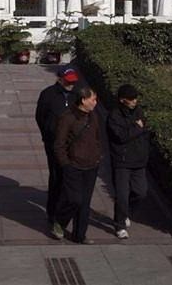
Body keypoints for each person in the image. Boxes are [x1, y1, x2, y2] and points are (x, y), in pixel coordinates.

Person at [52, 86, 102, 244]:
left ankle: (79, 235)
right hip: (73, 166)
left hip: (91, 165)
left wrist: (98, 155)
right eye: (93, 99)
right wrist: (65, 164)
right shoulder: (68, 118)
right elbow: (59, 144)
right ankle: (59, 222)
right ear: (83, 100)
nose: (95, 102)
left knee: (85, 203)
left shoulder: (93, 116)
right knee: (75, 199)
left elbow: (97, 137)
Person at [35, 66, 81, 225]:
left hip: (74, 144)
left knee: (70, 178)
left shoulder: (77, 95)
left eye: (73, 82)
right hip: (53, 144)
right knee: (56, 177)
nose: (71, 85)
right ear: (60, 79)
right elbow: (40, 117)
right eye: (68, 82)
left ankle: (66, 210)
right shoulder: (48, 95)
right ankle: (52, 212)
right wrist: (47, 134)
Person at [107, 84, 151, 239]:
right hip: (122, 162)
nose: (135, 101)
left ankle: (126, 212)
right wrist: (137, 129)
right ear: (122, 100)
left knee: (141, 192)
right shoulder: (114, 116)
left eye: (136, 98)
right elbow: (120, 136)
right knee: (122, 195)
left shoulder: (138, 111)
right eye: (131, 99)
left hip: (139, 161)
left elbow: (144, 127)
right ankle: (119, 225)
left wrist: (136, 129)